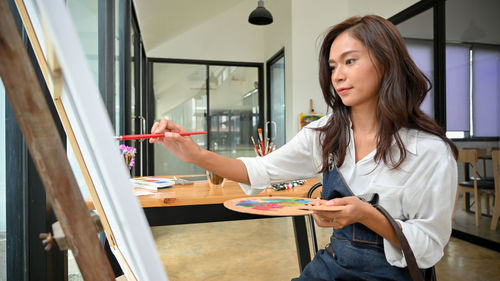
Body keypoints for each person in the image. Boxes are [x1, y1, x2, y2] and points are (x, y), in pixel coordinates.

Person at [150, 15, 458, 281]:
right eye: (333, 66)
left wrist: (366, 214)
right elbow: (262, 170)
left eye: (350, 61)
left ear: (386, 61)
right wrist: (196, 155)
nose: (337, 75)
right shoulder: (326, 133)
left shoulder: (429, 151)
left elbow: (430, 245)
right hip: (333, 266)